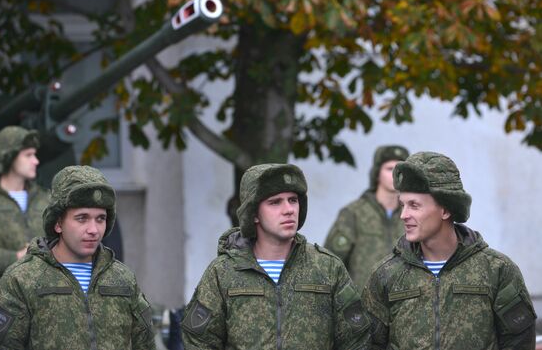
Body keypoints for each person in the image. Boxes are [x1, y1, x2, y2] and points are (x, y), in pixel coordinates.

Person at [182, 163, 370, 350]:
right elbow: (198, 341)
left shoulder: (327, 269)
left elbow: (357, 340)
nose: (289, 209)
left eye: (293, 200)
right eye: (275, 202)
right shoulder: (223, 273)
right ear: (254, 213)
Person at [361, 151, 536, 350]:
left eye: (414, 206)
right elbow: (368, 345)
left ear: (445, 210)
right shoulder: (386, 275)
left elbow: (519, 343)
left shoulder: (497, 271)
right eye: (403, 205)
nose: (404, 215)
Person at [0, 165, 155, 350]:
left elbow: (146, 344)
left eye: (100, 219)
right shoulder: (22, 279)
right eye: (82, 218)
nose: (93, 230)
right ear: (58, 223)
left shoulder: (123, 279)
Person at [324, 145, 409, 291]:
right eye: (389, 169)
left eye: (400, 170)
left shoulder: (412, 214)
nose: (395, 175)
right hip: (362, 306)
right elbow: (330, 264)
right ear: (377, 173)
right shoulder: (354, 213)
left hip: (404, 307)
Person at [0, 126, 49, 294]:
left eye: (35, 154)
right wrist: (17, 257)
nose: (36, 161)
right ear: (9, 157)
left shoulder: (46, 199)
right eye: (28, 155)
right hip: (1, 305)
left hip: (44, 304)